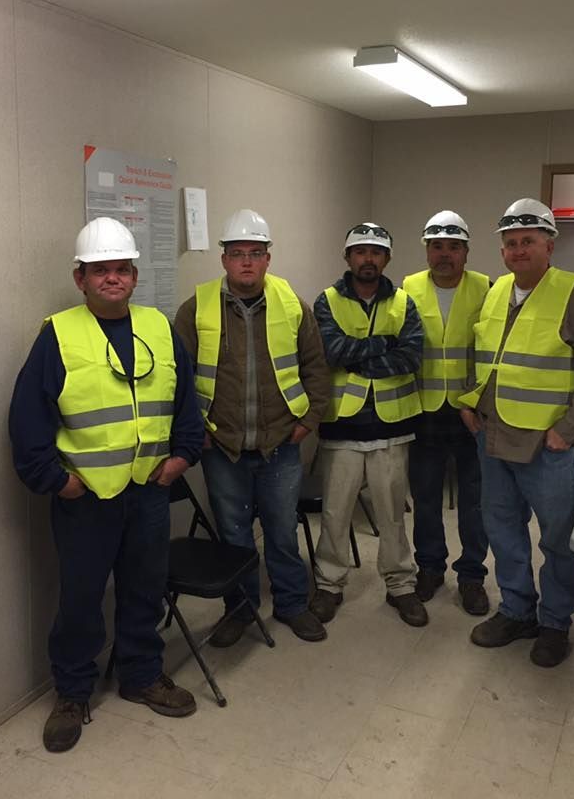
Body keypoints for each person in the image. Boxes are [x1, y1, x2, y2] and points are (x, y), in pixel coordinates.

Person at [9, 217, 204, 753]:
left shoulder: (160, 327)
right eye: (101, 271)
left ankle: (142, 675)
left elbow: (187, 401)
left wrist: (182, 456)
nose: (112, 279)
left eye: (122, 269)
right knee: (81, 598)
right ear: (81, 279)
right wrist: (55, 480)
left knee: (145, 590)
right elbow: (28, 419)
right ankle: (73, 692)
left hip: (148, 490)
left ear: (135, 276)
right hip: (86, 499)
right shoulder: (58, 334)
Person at [458, 198, 574, 667]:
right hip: (493, 438)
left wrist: (567, 431)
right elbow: (483, 357)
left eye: (528, 241)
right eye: (510, 243)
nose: (518, 250)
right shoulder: (495, 291)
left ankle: (554, 623)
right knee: (503, 530)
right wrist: (470, 403)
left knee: (556, 539)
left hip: (547, 445)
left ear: (549, 245)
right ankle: (516, 611)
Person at [174, 209, 331, 645]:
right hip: (220, 446)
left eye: (255, 253)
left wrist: (307, 421)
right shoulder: (195, 309)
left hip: (280, 443)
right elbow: (178, 379)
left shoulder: (292, 305)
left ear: (268, 258)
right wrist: (195, 433)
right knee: (234, 535)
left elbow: (316, 369)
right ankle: (240, 610)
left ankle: (292, 604)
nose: (247, 261)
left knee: (282, 530)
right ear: (224, 259)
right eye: (238, 253)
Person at [309, 223, 427, 628]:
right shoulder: (325, 301)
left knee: (392, 513)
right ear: (348, 258)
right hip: (342, 426)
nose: (368, 259)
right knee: (335, 513)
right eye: (360, 252)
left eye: (376, 252)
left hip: (391, 426)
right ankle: (328, 584)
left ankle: (400, 586)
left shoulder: (404, 303)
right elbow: (331, 350)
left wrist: (356, 355)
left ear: (387, 259)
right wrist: (384, 345)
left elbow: (411, 356)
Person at [403, 211, 490, 615]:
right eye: (437, 246)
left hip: (469, 413)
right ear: (426, 250)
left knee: (475, 501)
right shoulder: (408, 288)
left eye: (453, 247)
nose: (444, 254)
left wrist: (475, 400)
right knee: (424, 498)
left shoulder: (487, 289)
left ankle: (471, 576)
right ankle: (430, 568)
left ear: (466, 252)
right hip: (423, 411)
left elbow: (490, 354)